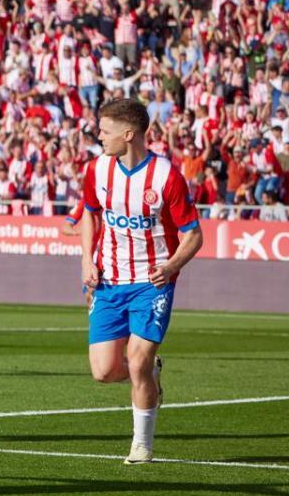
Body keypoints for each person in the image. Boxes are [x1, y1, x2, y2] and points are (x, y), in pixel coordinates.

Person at [80, 98, 203, 465]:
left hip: (152, 283)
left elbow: (194, 235)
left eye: (104, 130)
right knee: (104, 372)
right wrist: (87, 259)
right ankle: (152, 376)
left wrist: (171, 266)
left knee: (136, 362)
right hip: (109, 281)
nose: (99, 136)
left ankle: (141, 445)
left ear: (128, 134)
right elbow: (89, 214)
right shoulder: (97, 170)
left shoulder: (166, 176)